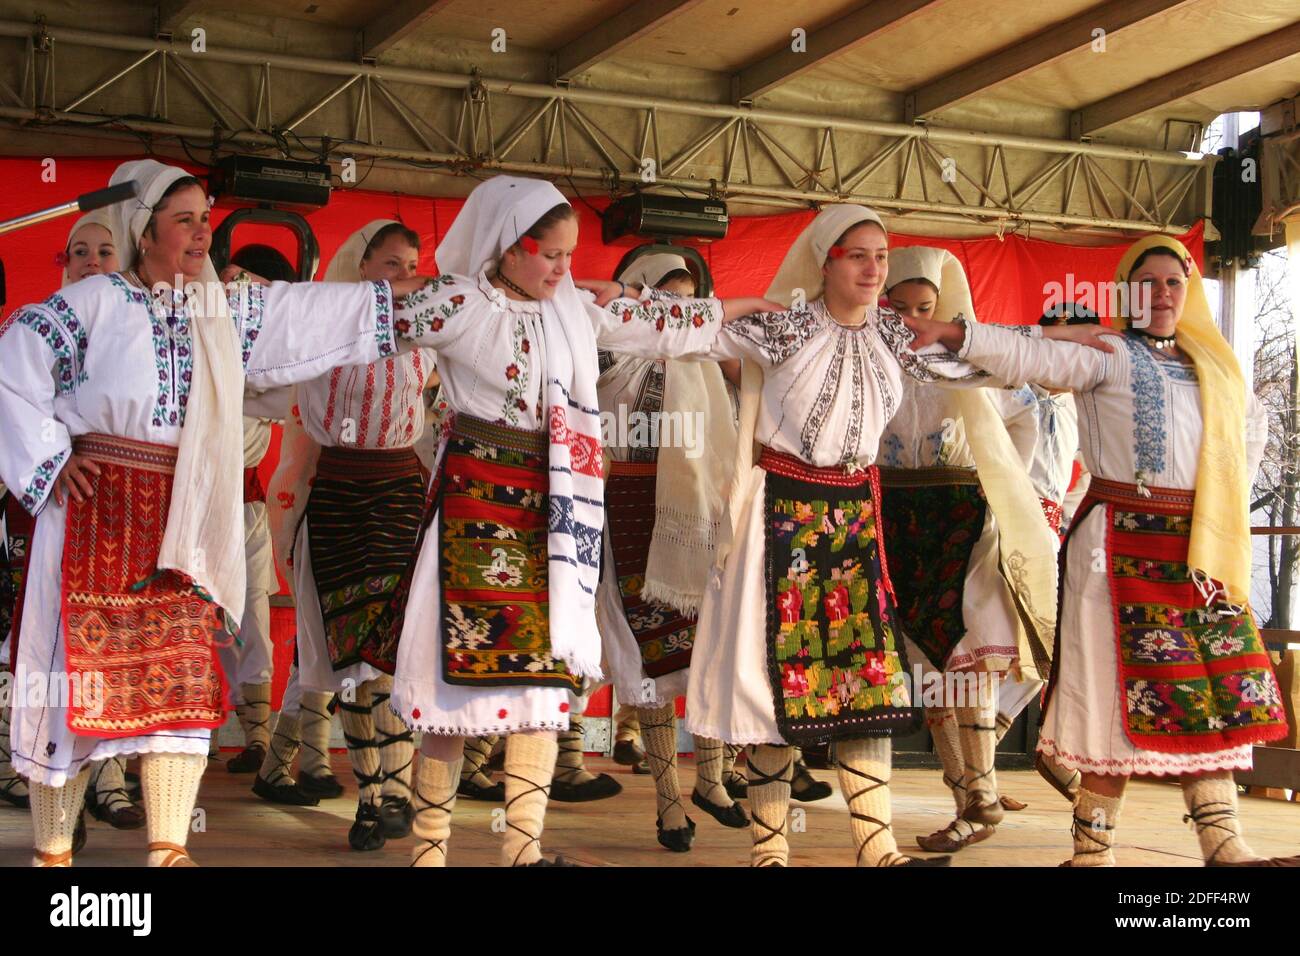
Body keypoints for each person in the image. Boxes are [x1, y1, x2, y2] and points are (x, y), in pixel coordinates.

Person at [0, 158, 424, 866]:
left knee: (182, 682)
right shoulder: (95, 302)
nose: (201, 234)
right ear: (144, 232)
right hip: (95, 515)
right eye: (184, 221)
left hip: (183, 516)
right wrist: (50, 459)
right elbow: (12, 367)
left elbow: (307, 312)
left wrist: (418, 298)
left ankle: (169, 848)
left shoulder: (217, 309)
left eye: (206, 220)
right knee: (74, 683)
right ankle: (53, 852)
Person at [376, 174, 780, 867]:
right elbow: (360, 318)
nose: (568, 270)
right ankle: (427, 854)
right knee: (453, 695)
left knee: (541, 690)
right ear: (508, 249)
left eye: (570, 254)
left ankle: (524, 852)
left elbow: (665, 324)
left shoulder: (570, 307)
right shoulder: (461, 303)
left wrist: (743, 310)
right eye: (552, 255)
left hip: (555, 519)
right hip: (477, 506)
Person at [903, 234, 1297, 867]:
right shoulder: (1107, 354)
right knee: (1109, 702)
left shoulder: (1217, 369)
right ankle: (1093, 853)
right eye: (1149, 283)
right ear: (1125, 293)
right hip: (1115, 552)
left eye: (1175, 282)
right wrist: (952, 332)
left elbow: (1245, 450)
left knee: (1210, 696)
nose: (1163, 294)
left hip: (1197, 557)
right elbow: (1029, 356)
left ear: (1189, 289)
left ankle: (1224, 843)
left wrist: (1220, 529)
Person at [684, 206, 1040, 868]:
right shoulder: (785, 328)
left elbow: (990, 366)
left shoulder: (896, 337)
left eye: (881, 255)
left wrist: (1054, 344)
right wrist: (699, 305)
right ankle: (769, 851)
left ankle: (877, 850)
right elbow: (685, 336)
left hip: (853, 520)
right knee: (773, 689)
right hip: (781, 515)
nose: (873, 268)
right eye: (858, 255)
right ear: (826, 260)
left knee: (866, 686)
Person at [263, 221, 433, 849]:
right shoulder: (318, 335)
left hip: (397, 492)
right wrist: (286, 527)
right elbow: (284, 422)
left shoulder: (427, 334)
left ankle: (396, 789)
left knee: (389, 651)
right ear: (361, 268)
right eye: (391, 263)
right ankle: (371, 794)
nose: (404, 274)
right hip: (335, 495)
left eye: (412, 264)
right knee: (351, 654)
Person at [877, 246, 1052, 854]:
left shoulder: (970, 362)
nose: (911, 319)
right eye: (897, 307)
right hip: (895, 518)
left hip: (963, 514)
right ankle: (972, 801)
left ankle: (980, 795)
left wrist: (1006, 482)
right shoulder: (873, 361)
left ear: (943, 306)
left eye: (924, 307)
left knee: (967, 653)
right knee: (925, 661)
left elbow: (1027, 413)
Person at [594, 252, 749, 850]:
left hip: (700, 516)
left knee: (707, 648)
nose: (677, 313)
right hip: (630, 510)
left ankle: (711, 780)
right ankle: (667, 804)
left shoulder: (708, 358)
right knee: (651, 662)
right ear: (639, 298)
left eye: (687, 302)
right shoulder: (611, 353)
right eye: (665, 299)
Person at [220, 245, 298, 776]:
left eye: (246, 284)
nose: (232, 288)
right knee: (188, 614)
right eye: (229, 279)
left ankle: (257, 735)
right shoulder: (194, 335)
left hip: (242, 501)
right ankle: (180, 737)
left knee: (250, 615)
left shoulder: (274, 354)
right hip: (186, 496)